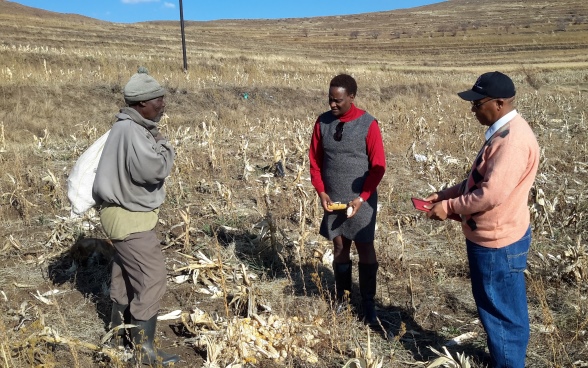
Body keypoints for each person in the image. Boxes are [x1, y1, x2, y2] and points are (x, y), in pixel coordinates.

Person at [422, 71, 539, 368]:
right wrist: (445, 194)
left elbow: (489, 195)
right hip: (499, 236)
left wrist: (448, 208)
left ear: (499, 103)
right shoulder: (503, 132)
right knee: (503, 309)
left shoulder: (511, 142)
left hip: (496, 243)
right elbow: (479, 181)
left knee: (501, 313)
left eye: (478, 104)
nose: (473, 110)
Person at [93, 67, 179, 366]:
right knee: (152, 278)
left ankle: (119, 336)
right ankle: (144, 353)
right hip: (129, 219)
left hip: (120, 215)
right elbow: (152, 170)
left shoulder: (126, 127)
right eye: (157, 99)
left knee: (126, 274)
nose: (162, 104)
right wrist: (166, 146)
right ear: (141, 103)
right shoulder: (131, 130)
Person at [309, 74, 386, 325]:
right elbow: (315, 162)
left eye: (338, 100)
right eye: (330, 99)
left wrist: (362, 197)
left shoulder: (368, 124)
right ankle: (343, 298)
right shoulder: (322, 123)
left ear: (351, 97)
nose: (333, 104)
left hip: (361, 199)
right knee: (340, 247)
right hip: (333, 198)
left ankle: (368, 303)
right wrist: (321, 192)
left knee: (365, 247)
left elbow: (378, 167)